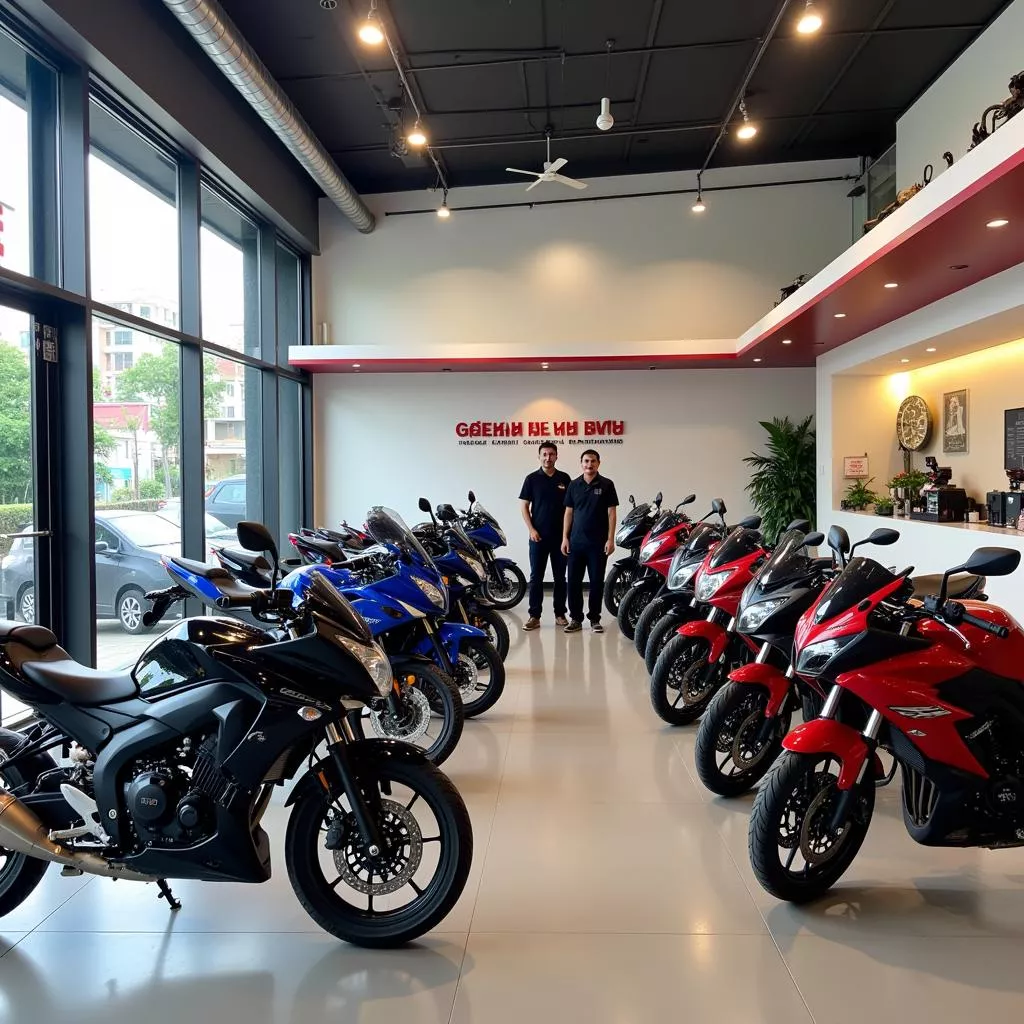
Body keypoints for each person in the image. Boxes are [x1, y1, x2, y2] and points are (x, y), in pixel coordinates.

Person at [561, 449, 618, 633]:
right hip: (576, 543)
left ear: (598, 463)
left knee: (596, 582)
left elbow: (611, 513)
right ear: (581, 463)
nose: (589, 464)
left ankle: (595, 619)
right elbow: (568, 512)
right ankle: (575, 619)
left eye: (593, 461)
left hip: (598, 544)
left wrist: (610, 539)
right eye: (586, 461)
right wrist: (565, 538)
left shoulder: (607, 484)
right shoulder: (573, 485)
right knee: (573, 582)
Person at [519, 442, 572, 630]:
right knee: (536, 578)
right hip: (538, 538)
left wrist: (567, 536)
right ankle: (534, 616)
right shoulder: (531, 479)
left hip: (560, 538)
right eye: (544, 454)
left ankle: (560, 614)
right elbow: (524, 507)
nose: (548, 458)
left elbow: (570, 509)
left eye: (551, 454)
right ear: (539, 456)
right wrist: (531, 530)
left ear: (556, 456)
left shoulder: (564, 478)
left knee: (560, 578)